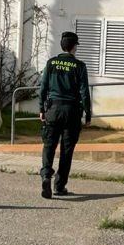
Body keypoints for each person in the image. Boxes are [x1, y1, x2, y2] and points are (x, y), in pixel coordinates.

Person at [38, 31, 92, 198]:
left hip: (53, 110)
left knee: (49, 145)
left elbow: (43, 88)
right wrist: (88, 113)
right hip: (72, 112)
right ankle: (59, 186)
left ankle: (46, 175)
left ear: (62, 45)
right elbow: (84, 92)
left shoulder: (51, 63)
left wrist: (41, 109)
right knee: (66, 151)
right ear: (74, 47)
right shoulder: (80, 66)